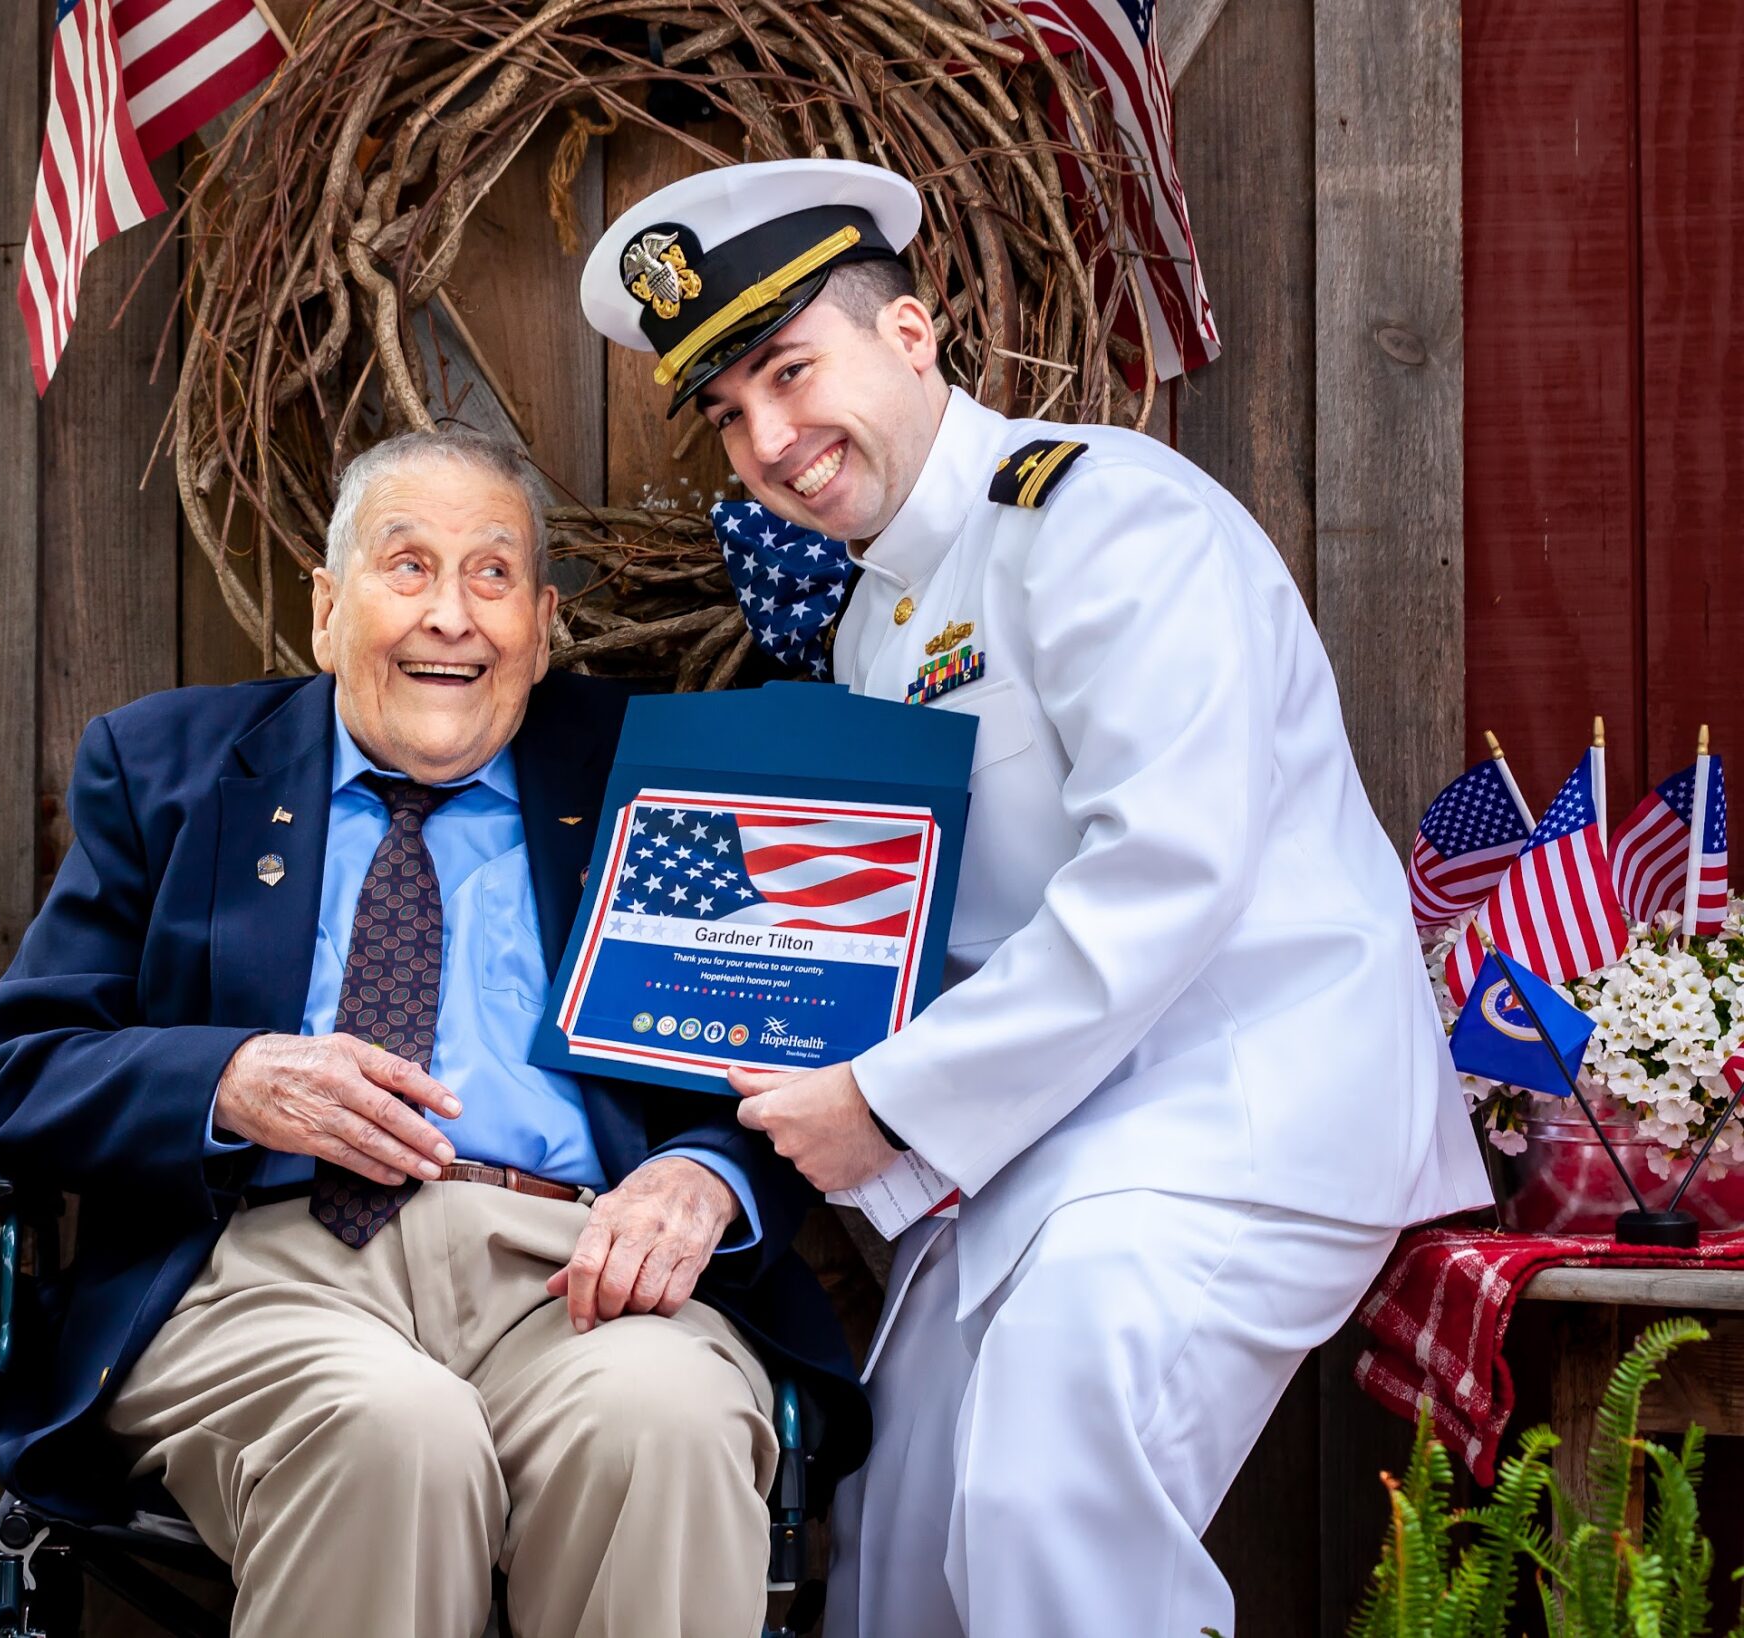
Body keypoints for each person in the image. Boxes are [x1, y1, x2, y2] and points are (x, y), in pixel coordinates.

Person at [580, 158, 1493, 1637]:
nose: (769, 438)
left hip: (1237, 1109)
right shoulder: (880, 618)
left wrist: (882, 1093)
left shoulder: (1102, 517)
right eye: (729, 411)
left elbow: (1168, 870)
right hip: (1040, 1138)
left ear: (913, 335)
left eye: (789, 369)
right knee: (898, 1551)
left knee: (1041, 1507)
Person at [0, 426, 866, 1638]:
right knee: (390, 1432)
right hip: (264, 1272)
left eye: (491, 576)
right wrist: (228, 1077)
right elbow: (27, 1075)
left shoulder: (645, 777)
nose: (452, 614)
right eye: (408, 568)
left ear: (541, 625)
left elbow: (789, 1037)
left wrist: (704, 1175)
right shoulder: (170, 767)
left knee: (668, 1421)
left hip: (577, 1271)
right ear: (330, 610)